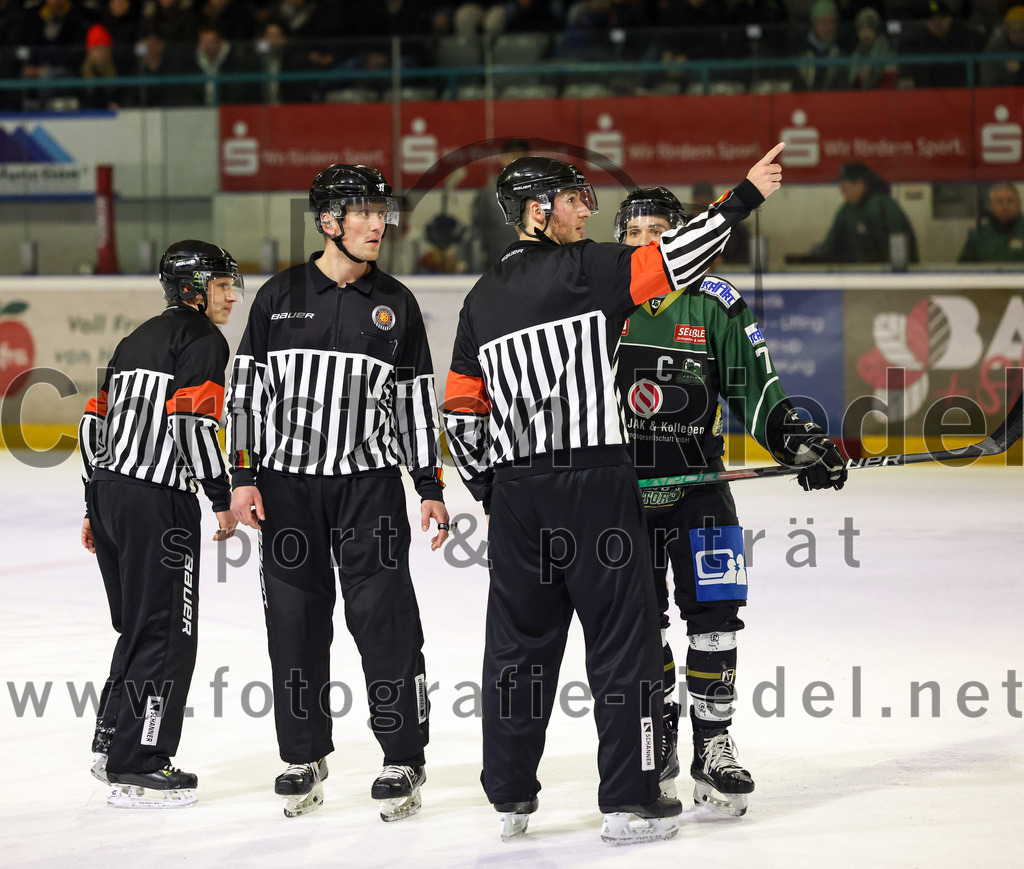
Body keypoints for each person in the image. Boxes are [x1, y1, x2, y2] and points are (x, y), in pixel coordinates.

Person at [442, 143, 785, 844]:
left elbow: (461, 413)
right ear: (536, 211)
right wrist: (742, 196)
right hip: (595, 482)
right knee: (623, 642)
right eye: (570, 199)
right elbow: (678, 258)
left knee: (516, 647)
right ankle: (630, 800)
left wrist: (492, 487)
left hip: (514, 493)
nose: (582, 211)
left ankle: (510, 796)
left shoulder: (479, 298)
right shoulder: (589, 269)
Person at [611, 186, 847, 817]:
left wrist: (795, 441)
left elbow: (756, 387)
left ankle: (712, 741)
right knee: (639, 627)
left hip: (702, 492)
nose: (646, 244)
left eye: (659, 231)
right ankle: (655, 739)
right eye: (633, 234)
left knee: (716, 621)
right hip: (620, 498)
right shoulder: (598, 299)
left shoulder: (717, 301)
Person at [227, 164, 450, 820]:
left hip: (369, 490)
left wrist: (429, 484)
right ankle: (303, 752)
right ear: (329, 222)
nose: (379, 223)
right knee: (293, 624)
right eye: (364, 213)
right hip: (287, 489)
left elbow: (413, 402)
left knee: (385, 622)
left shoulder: (397, 303)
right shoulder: (277, 296)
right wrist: (243, 477)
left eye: (382, 213)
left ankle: (403, 754)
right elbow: (246, 394)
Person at [79, 240, 243, 809]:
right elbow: (193, 423)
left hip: (111, 494)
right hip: (158, 502)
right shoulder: (202, 340)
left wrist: (91, 504)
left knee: (140, 627)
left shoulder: (133, 339)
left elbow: (89, 426)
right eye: (222, 284)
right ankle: (140, 763)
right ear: (194, 289)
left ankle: (112, 741)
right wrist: (221, 496)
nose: (231, 295)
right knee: (169, 630)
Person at [809, 162, 919, 264]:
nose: (841, 191)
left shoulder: (883, 207)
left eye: (844, 186)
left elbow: (899, 246)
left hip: (887, 277)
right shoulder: (847, 210)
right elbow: (830, 245)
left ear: (860, 184)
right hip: (860, 275)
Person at [468, 137, 530, 272]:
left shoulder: (537, 189)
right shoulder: (490, 189)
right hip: (497, 262)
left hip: (531, 262)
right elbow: (477, 227)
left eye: (521, 156)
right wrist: (476, 264)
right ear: (503, 159)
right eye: (513, 155)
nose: (516, 161)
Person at [958, 183, 1024, 262]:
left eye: (1010, 201)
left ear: (1019, 204)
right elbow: (962, 269)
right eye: (999, 201)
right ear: (991, 206)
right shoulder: (978, 235)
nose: (1005, 206)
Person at [692, 181, 751, 265]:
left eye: (706, 202)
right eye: (699, 203)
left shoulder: (737, 229)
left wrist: (724, 262)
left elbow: (744, 262)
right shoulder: (684, 225)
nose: (703, 207)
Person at [980, 5, 1024, 87]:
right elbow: (988, 81)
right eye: (1014, 31)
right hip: (1003, 94)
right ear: (1007, 30)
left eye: (1022, 31)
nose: (1018, 35)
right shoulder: (995, 49)